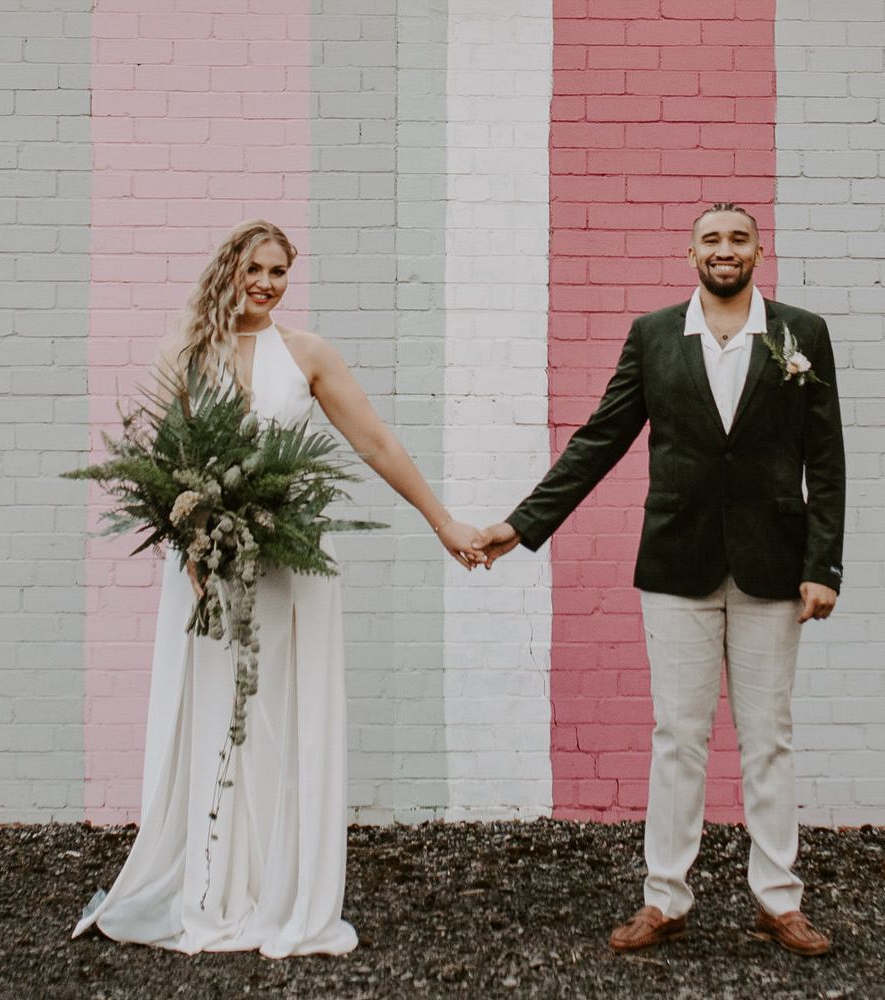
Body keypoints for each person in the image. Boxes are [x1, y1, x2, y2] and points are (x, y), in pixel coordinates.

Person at [73, 219, 483, 957]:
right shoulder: (187, 354)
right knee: (218, 714)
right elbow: (164, 462)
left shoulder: (307, 354)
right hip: (211, 563)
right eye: (254, 269)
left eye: (279, 272)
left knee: (283, 714)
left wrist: (442, 521)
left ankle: (281, 888)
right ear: (227, 269)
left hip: (292, 561)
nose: (266, 283)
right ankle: (213, 884)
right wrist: (192, 542)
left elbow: (375, 443)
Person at [475, 204, 845, 957]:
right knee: (678, 735)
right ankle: (665, 898)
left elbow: (826, 457)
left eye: (738, 238)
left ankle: (778, 899)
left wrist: (822, 565)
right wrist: (521, 525)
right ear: (690, 254)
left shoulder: (801, 334)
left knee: (768, 738)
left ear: (758, 252)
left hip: (774, 566)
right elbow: (600, 439)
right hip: (678, 564)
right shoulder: (652, 336)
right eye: (711, 239)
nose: (725, 249)